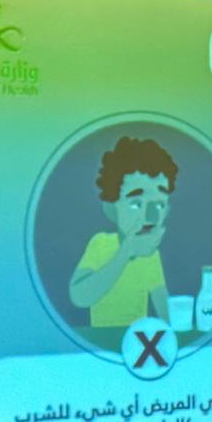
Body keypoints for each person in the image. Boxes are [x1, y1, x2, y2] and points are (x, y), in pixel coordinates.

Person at [68, 136, 176, 327]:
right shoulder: (101, 243)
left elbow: (163, 307)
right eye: (136, 204)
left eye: (159, 205)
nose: (150, 217)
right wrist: (126, 252)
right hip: (102, 339)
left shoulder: (151, 255)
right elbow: (80, 296)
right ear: (112, 208)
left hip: (138, 339)